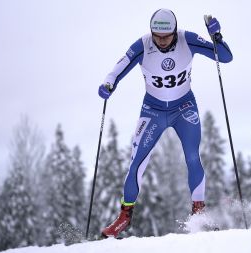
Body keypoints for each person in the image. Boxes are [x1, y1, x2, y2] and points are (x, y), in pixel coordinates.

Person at [98, 8, 233, 238]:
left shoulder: (187, 39)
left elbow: (225, 57)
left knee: (192, 156)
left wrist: (217, 37)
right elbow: (119, 67)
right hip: (153, 110)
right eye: (156, 36)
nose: (161, 41)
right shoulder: (143, 44)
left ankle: (198, 213)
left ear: (174, 31)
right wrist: (109, 83)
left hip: (184, 107)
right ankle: (124, 216)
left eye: (166, 36)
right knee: (137, 161)